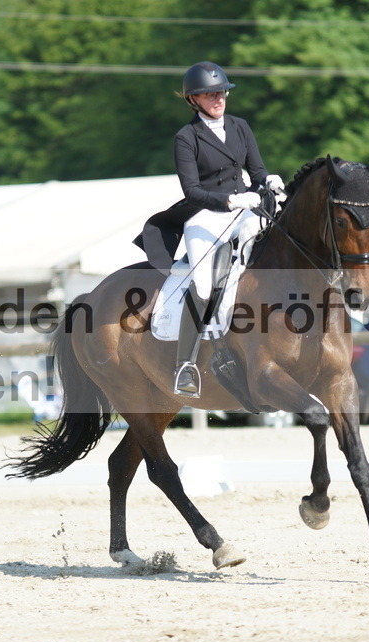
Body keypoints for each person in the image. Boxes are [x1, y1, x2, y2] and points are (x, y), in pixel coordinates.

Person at [135, 61, 284, 397]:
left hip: (246, 210)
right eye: (209, 94)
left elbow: (257, 171)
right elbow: (192, 191)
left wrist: (268, 182)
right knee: (202, 285)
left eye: (221, 92)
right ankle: (184, 365)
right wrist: (232, 201)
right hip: (206, 214)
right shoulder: (186, 138)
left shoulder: (241, 126)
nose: (218, 98)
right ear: (194, 100)